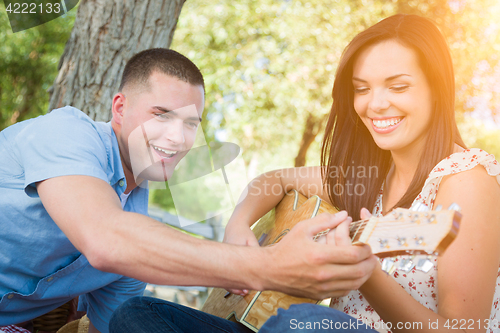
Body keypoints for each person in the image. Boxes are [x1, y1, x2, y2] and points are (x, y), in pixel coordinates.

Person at [110, 14, 500, 333]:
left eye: (397, 86)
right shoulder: (369, 175)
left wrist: (366, 273)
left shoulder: (467, 177)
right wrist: (238, 226)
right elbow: (274, 180)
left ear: (437, 89)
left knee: (305, 323)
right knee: (136, 314)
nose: (375, 104)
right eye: (361, 89)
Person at [0, 48, 377, 333]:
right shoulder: (64, 132)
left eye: (190, 124)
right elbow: (105, 238)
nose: (177, 137)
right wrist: (268, 267)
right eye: (160, 114)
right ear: (119, 108)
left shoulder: (134, 246)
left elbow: (111, 323)